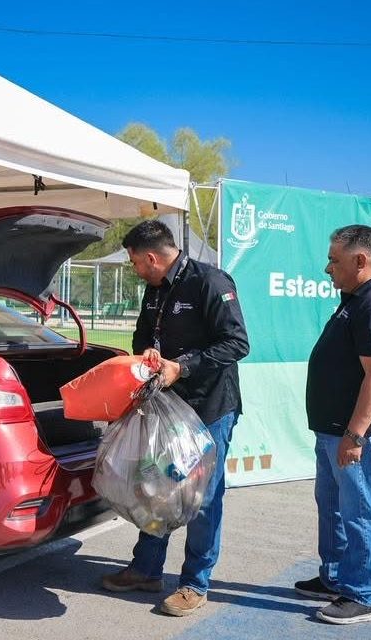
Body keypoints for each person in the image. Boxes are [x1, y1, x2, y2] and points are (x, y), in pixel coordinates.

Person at [100, 219, 249, 617]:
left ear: (152, 257)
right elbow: (142, 337)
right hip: (165, 410)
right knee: (156, 489)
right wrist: (147, 354)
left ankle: (194, 583)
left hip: (209, 408)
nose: (134, 270)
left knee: (202, 499)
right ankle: (147, 569)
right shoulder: (154, 290)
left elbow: (237, 343)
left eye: (134, 262)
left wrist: (181, 367)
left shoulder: (211, 282)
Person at [294, 224, 371, 625]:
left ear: (361, 261)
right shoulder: (355, 298)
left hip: (354, 432)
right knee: (333, 506)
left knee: (359, 510)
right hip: (334, 428)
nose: (328, 268)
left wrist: (356, 435)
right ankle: (336, 577)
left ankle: (360, 595)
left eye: (334, 260)